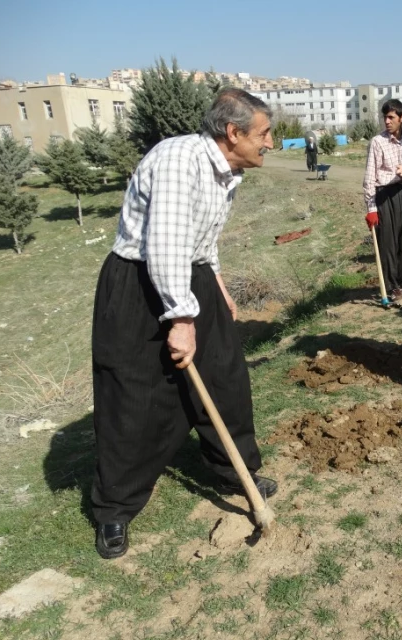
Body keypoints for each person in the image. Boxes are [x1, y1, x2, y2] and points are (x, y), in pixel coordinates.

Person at [90, 89, 277, 559]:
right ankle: (115, 507)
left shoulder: (226, 170)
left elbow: (198, 239)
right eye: (264, 133)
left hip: (186, 274)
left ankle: (235, 468)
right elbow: (166, 246)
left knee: (223, 376)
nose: (270, 143)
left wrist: (215, 284)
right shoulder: (179, 160)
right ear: (232, 133)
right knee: (135, 394)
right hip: (139, 283)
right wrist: (181, 317)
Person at [363, 99, 402, 300]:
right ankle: (391, 286)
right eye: (384, 117)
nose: (387, 121)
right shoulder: (378, 142)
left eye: (391, 117)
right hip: (385, 195)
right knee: (388, 242)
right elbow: (370, 177)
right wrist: (371, 208)